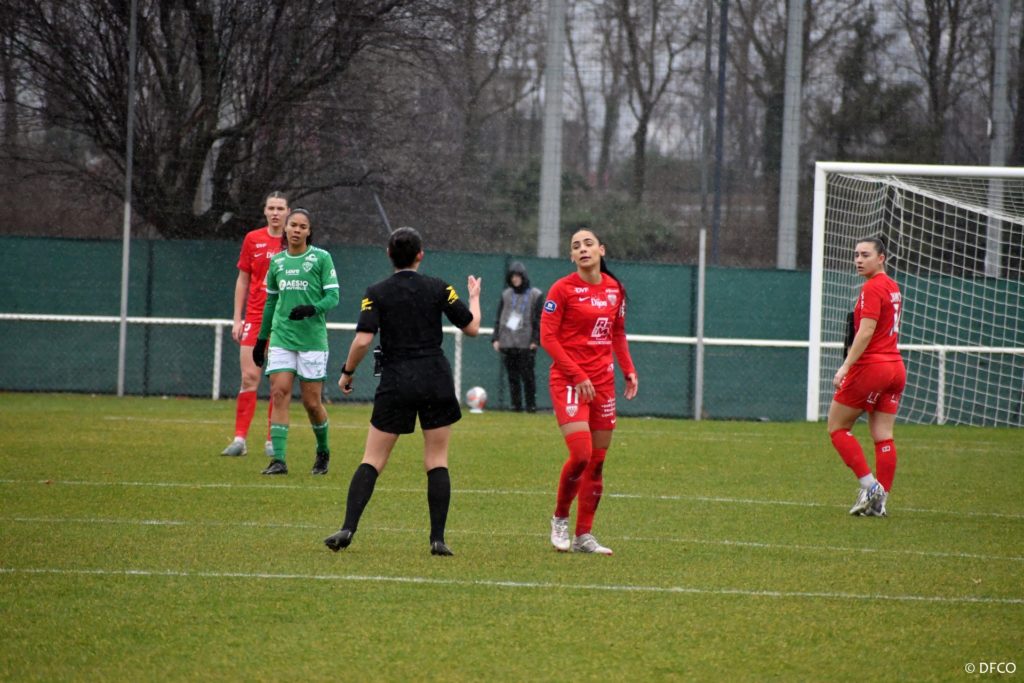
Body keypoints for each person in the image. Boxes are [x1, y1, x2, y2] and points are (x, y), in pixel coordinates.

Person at [324, 226, 481, 556]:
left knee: (372, 459)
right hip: (435, 378)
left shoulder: (376, 292)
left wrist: (347, 373)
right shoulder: (440, 287)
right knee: (436, 460)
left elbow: (363, 340)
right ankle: (437, 539)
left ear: (388, 254)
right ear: (420, 254)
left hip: (397, 380)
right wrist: (476, 297)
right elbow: (471, 328)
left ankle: (348, 528)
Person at [541, 228, 638, 555]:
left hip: (603, 384)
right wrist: (577, 374)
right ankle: (560, 518)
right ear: (571, 256)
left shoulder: (615, 289)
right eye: (576, 246)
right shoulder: (562, 289)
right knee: (581, 455)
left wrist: (628, 369)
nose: (582, 249)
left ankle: (584, 536)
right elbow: (548, 338)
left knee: (596, 463)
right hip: (569, 381)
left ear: (601, 250)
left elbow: (617, 333)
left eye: (588, 244)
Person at [251, 209, 339, 475]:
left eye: (303, 226)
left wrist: (312, 309)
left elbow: (333, 297)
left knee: (311, 403)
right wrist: (261, 339)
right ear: (286, 228)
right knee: (279, 394)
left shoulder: (321, 258)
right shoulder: (277, 262)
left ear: (309, 231)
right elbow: (270, 302)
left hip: (312, 340)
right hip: (282, 336)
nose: (297, 230)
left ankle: (323, 451)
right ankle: (278, 460)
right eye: (293, 225)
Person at [828, 236, 905, 517]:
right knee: (883, 436)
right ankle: (880, 502)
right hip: (895, 367)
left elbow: (866, 331)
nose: (859, 260)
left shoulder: (872, 287)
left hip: (873, 367)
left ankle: (871, 486)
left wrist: (845, 366)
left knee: (837, 427)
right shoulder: (892, 286)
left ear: (881, 258)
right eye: (856, 255)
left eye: (866, 255)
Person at [221, 192, 289, 457]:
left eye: (280, 208)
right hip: (256, 317)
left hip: (283, 320)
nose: (275, 213)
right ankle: (240, 439)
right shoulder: (253, 239)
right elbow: (243, 279)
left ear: (287, 211)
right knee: (249, 378)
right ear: (265, 211)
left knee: (278, 383)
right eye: (271, 208)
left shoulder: (293, 241)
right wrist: (237, 318)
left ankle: (272, 440)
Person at [492, 261, 543, 412]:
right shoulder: (506, 295)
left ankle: (531, 405)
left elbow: (539, 319)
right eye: (512, 277)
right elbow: (498, 317)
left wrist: (535, 340)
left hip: (526, 343)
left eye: (517, 276)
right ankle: (516, 406)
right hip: (508, 341)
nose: (515, 279)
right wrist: (496, 338)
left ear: (523, 277)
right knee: (512, 377)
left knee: (528, 376)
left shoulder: (535, 295)